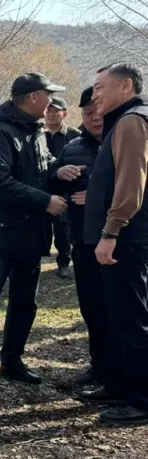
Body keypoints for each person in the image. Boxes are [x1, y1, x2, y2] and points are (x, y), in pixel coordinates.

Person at [0, 72, 68, 386]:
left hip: (30, 234)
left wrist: (61, 169)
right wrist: (45, 200)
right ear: (33, 97)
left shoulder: (35, 132)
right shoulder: (1, 133)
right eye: (48, 95)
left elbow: (42, 168)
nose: (51, 102)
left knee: (24, 302)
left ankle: (12, 360)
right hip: (1, 233)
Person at [83, 63, 148, 425]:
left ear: (126, 86)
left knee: (132, 318)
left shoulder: (132, 121)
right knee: (115, 315)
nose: (94, 96)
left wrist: (111, 232)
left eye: (99, 87)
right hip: (118, 238)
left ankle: (141, 399)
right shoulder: (121, 120)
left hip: (126, 239)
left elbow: (130, 184)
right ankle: (120, 385)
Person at [47, 87, 106, 390]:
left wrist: (97, 196)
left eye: (97, 110)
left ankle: (126, 371)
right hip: (83, 241)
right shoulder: (71, 148)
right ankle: (100, 365)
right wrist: (58, 175)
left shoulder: (126, 139)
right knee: (91, 306)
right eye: (87, 113)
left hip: (120, 242)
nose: (94, 118)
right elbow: (51, 184)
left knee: (123, 310)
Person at [46, 97, 83, 279]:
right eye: (49, 111)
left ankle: (63, 262)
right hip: (44, 189)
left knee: (62, 229)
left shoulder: (75, 135)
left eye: (56, 111)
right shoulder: (39, 135)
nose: (51, 115)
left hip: (67, 190)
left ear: (65, 114)